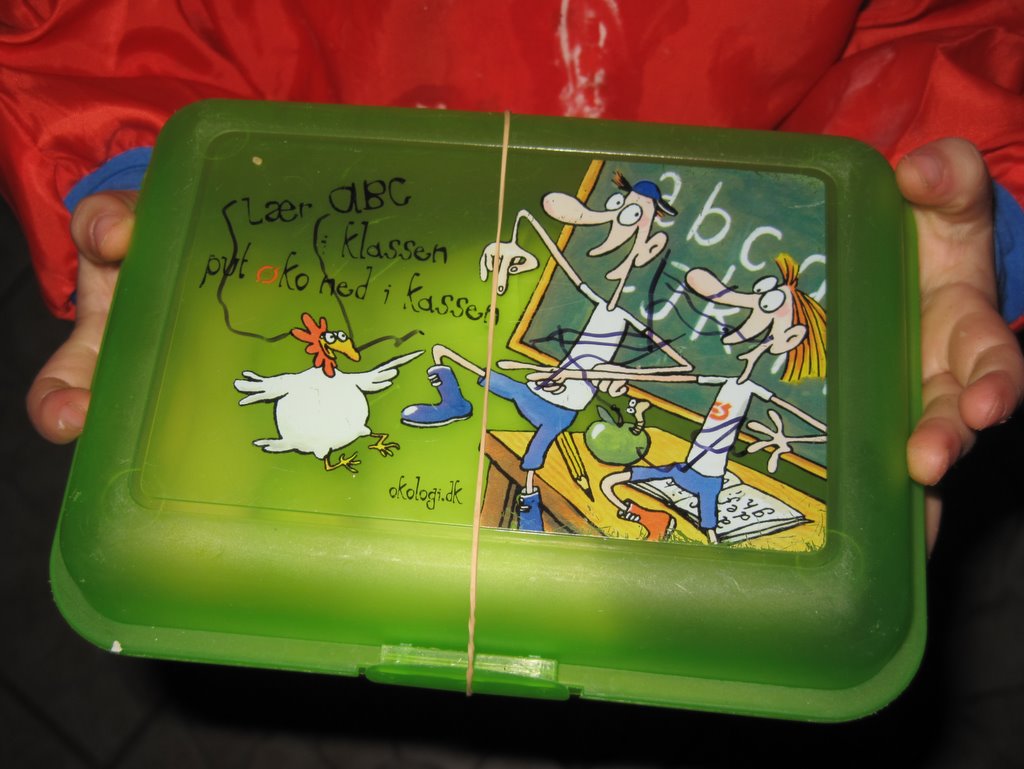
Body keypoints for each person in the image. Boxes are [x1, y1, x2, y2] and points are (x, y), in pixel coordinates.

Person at [2, 1, 1022, 550]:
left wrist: (921, 225)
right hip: (351, 245)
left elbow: (965, 23)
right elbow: (88, 25)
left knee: (541, 442)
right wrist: (153, 168)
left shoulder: (651, 299)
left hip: (612, 344)